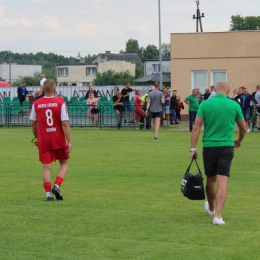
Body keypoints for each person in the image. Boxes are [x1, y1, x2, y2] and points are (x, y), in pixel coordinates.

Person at [190, 81, 247, 225]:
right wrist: (239, 139)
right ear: (228, 91)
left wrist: (193, 148)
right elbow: (243, 128)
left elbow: (196, 127)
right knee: (223, 181)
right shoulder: (234, 105)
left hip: (209, 146)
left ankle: (211, 207)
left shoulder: (205, 104)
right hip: (227, 146)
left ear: (216, 90)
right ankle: (218, 216)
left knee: (211, 179)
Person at [29, 79, 72, 201]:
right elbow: (65, 123)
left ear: (43, 90)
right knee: (63, 162)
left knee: (46, 168)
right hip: (58, 138)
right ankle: (57, 185)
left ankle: (48, 195)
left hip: (44, 139)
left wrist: (37, 137)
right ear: (55, 89)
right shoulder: (60, 103)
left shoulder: (36, 104)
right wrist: (69, 141)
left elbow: (33, 124)